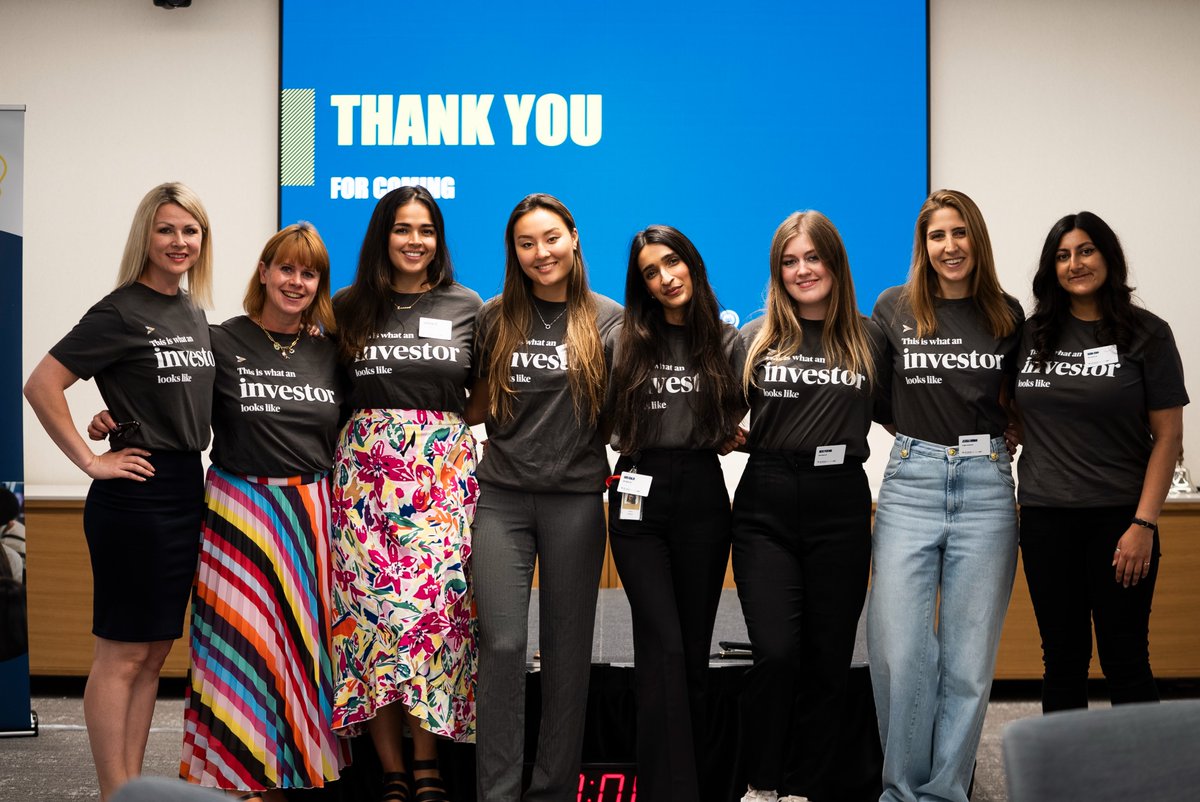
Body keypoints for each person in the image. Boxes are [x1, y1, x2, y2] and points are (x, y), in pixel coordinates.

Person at [23, 182, 216, 801]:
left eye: (190, 230)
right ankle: (114, 794)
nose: (179, 241)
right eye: (166, 230)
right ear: (146, 237)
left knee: (155, 654)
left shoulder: (191, 311)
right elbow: (42, 384)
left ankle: (133, 790)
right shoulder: (121, 309)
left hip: (188, 488)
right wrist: (89, 459)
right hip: (136, 497)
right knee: (121, 656)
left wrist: (116, 415)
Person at [867, 189, 1024, 802]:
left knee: (967, 663)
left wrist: (1012, 429)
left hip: (986, 488)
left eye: (960, 233)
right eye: (937, 235)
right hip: (911, 480)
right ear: (923, 245)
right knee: (900, 654)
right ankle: (900, 790)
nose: (949, 246)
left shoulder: (1006, 315)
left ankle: (945, 792)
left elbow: (1021, 398)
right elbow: (873, 389)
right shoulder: (894, 307)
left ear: (975, 240)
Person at [466, 193, 622, 802]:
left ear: (575, 237)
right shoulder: (494, 316)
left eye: (551, 238)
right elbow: (474, 403)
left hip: (576, 503)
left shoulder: (608, 318)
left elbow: (623, 413)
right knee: (502, 647)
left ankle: (553, 791)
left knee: (566, 654)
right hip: (502, 500)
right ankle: (498, 792)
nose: (541, 253)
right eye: (526, 243)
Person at [330, 185, 482, 802]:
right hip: (364, 482)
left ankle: (428, 763)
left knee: (433, 623)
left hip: (440, 480)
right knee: (370, 626)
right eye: (402, 229)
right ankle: (390, 769)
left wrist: (453, 442)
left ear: (438, 239)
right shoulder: (347, 306)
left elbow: (485, 390)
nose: (415, 241)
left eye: (425, 229)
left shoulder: (468, 304)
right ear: (382, 236)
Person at [734, 211, 884, 802]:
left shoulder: (870, 338)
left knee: (828, 662)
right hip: (765, 503)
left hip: (840, 503)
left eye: (812, 257)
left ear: (835, 262)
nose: (802, 271)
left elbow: (908, 409)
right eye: (789, 261)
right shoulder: (753, 337)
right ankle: (760, 783)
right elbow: (712, 410)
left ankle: (802, 789)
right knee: (775, 654)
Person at [1014, 211, 1187, 712]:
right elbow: (1017, 412)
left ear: (1108, 256)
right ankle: (1064, 784)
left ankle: (1143, 786)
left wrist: (1143, 524)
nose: (1075, 263)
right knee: (1062, 660)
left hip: (1121, 521)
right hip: (1046, 520)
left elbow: (1168, 436)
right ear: (1053, 268)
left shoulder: (1147, 335)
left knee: (1126, 658)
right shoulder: (1032, 335)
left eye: (1086, 250)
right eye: (1063, 255)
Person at [606, 225, 745, 802]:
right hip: (640, 492)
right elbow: (601, 415)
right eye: (650, 272)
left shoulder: (727, 339)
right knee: (660, 645)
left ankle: (696, 785)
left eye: (672, 263)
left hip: (704, 494)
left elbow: (735, 415)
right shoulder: (624, 338)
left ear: (691, 262)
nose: (665, 278)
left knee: (691, 651)